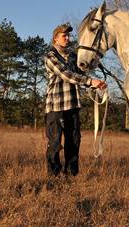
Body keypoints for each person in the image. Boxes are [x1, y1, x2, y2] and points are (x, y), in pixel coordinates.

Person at [45, 23, 107, 177]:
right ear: (55, 39)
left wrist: (96, 82)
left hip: (73, 105)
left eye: (68, 35)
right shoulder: (50, 57)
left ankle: (72, 174)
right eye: (64, 35)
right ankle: (54, 175)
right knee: (55, 143)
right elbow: (66, 75)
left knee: (73, 142)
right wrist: (90, 81)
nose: (67, 38)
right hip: (56, 107)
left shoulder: (73, 56)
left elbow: (82, 74)